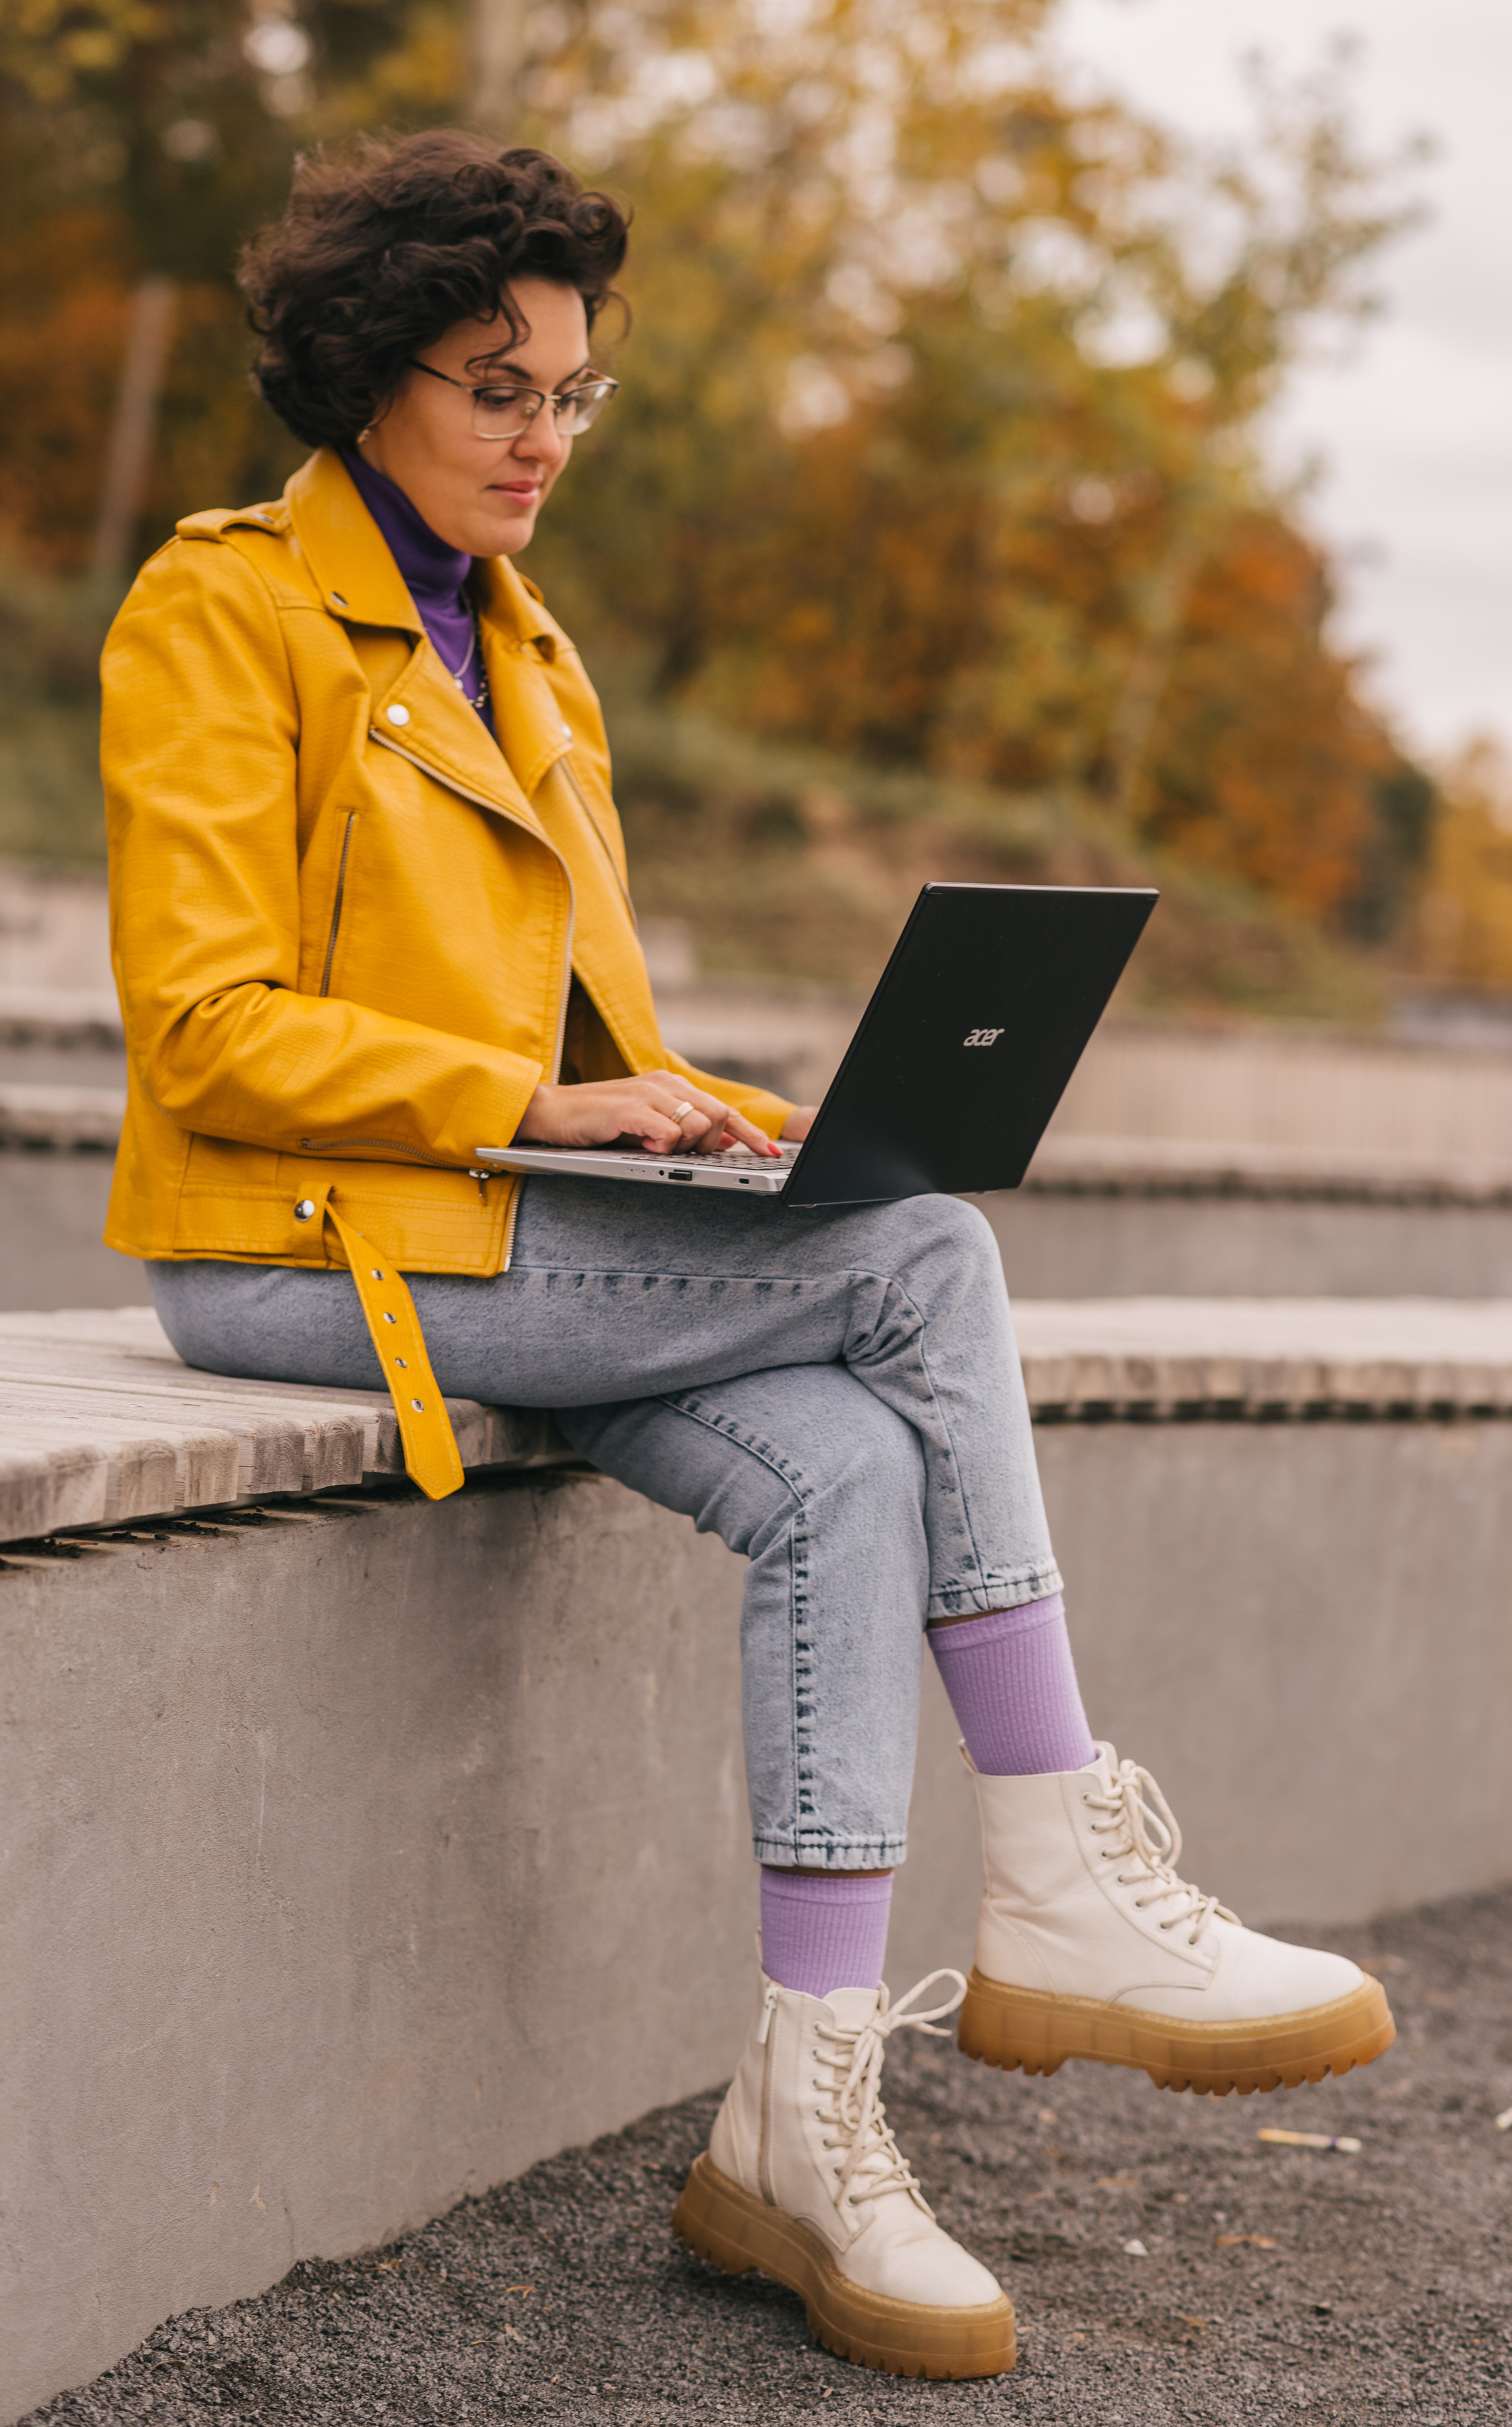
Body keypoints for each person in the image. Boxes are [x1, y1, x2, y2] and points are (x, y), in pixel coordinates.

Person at [101, 130, 1394, 2383]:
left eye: (575, 393)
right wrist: (544, 1110)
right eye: (496, 385)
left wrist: (709, 1108)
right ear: (364, 374)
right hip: (292, 1242)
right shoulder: (217, 607)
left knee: (849, 1465)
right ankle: (1062, 1862)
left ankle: (799, 2123)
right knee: (927, 1264)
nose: (542, 438)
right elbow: (208, 1029)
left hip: (489, 1216)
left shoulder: (532, 653)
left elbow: (587, 1032)